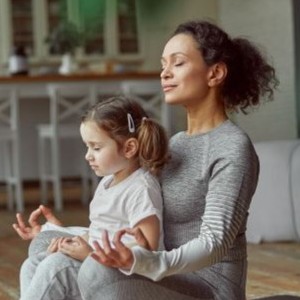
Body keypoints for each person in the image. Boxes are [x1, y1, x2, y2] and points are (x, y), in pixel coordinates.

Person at [15, 19, 279, 300]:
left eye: (177, 63)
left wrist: (141, 262)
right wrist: (62, 231)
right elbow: (127, 211)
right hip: (160, 272)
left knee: (97, 270)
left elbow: (215, 243)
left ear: (215, 73)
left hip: (208, 288)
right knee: (41, 257)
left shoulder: (232, 147)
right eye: (163, 64)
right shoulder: (175, 144)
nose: (164, 73)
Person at [13, 96, 169, 300]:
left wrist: (91, 255)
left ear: (129, 148)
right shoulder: (107, 182)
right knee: (32, 264)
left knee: (55, 267)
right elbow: (98, 231)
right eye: (88, 147)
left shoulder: (141, 188)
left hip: (125, 275)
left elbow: (149, 246)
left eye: (96, 148)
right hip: (97, 262)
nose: (88, 155)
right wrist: (65, 240)